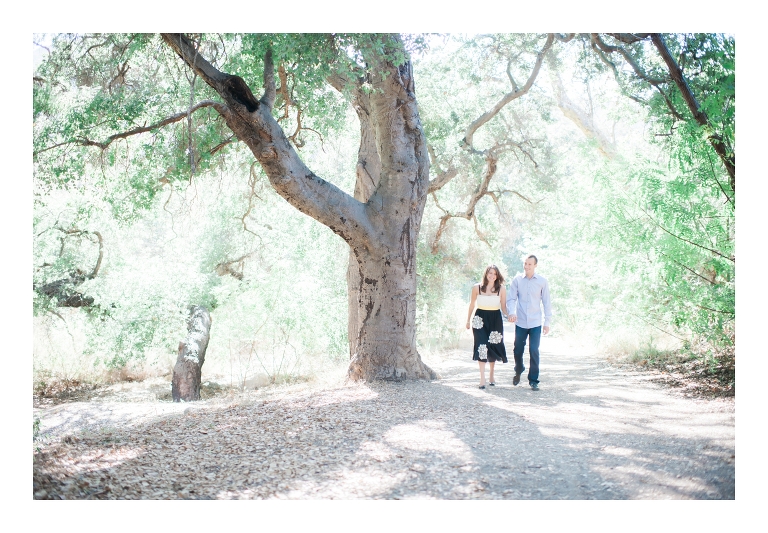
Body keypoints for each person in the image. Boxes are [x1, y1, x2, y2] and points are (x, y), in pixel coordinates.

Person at [506, 255, 552, 391]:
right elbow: (511, 299)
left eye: (529, 264)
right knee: (517, 350)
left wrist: (547, 322)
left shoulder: (542, 281)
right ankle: (519, 369)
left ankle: (533, 380)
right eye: (525, 263)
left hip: (535, 322)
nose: (526, 266)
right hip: (520, 321)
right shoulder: (517, 280)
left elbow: (547, 302)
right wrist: (512, 312)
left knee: (534, 350)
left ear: (535, 265)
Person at [466, 265, 509, 389]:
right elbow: (472, 304)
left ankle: (491, 374)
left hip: (495, 319)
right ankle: (482, 378)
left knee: (493, 345)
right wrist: (468, 320)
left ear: (497, 276)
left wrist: (509, 315)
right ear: (486, 274)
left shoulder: (502, 289)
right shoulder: (477, 288)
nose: (492, 276)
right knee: (481, 346)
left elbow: (504, 307)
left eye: (495, 274)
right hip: (479, 319)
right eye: (490, 273)